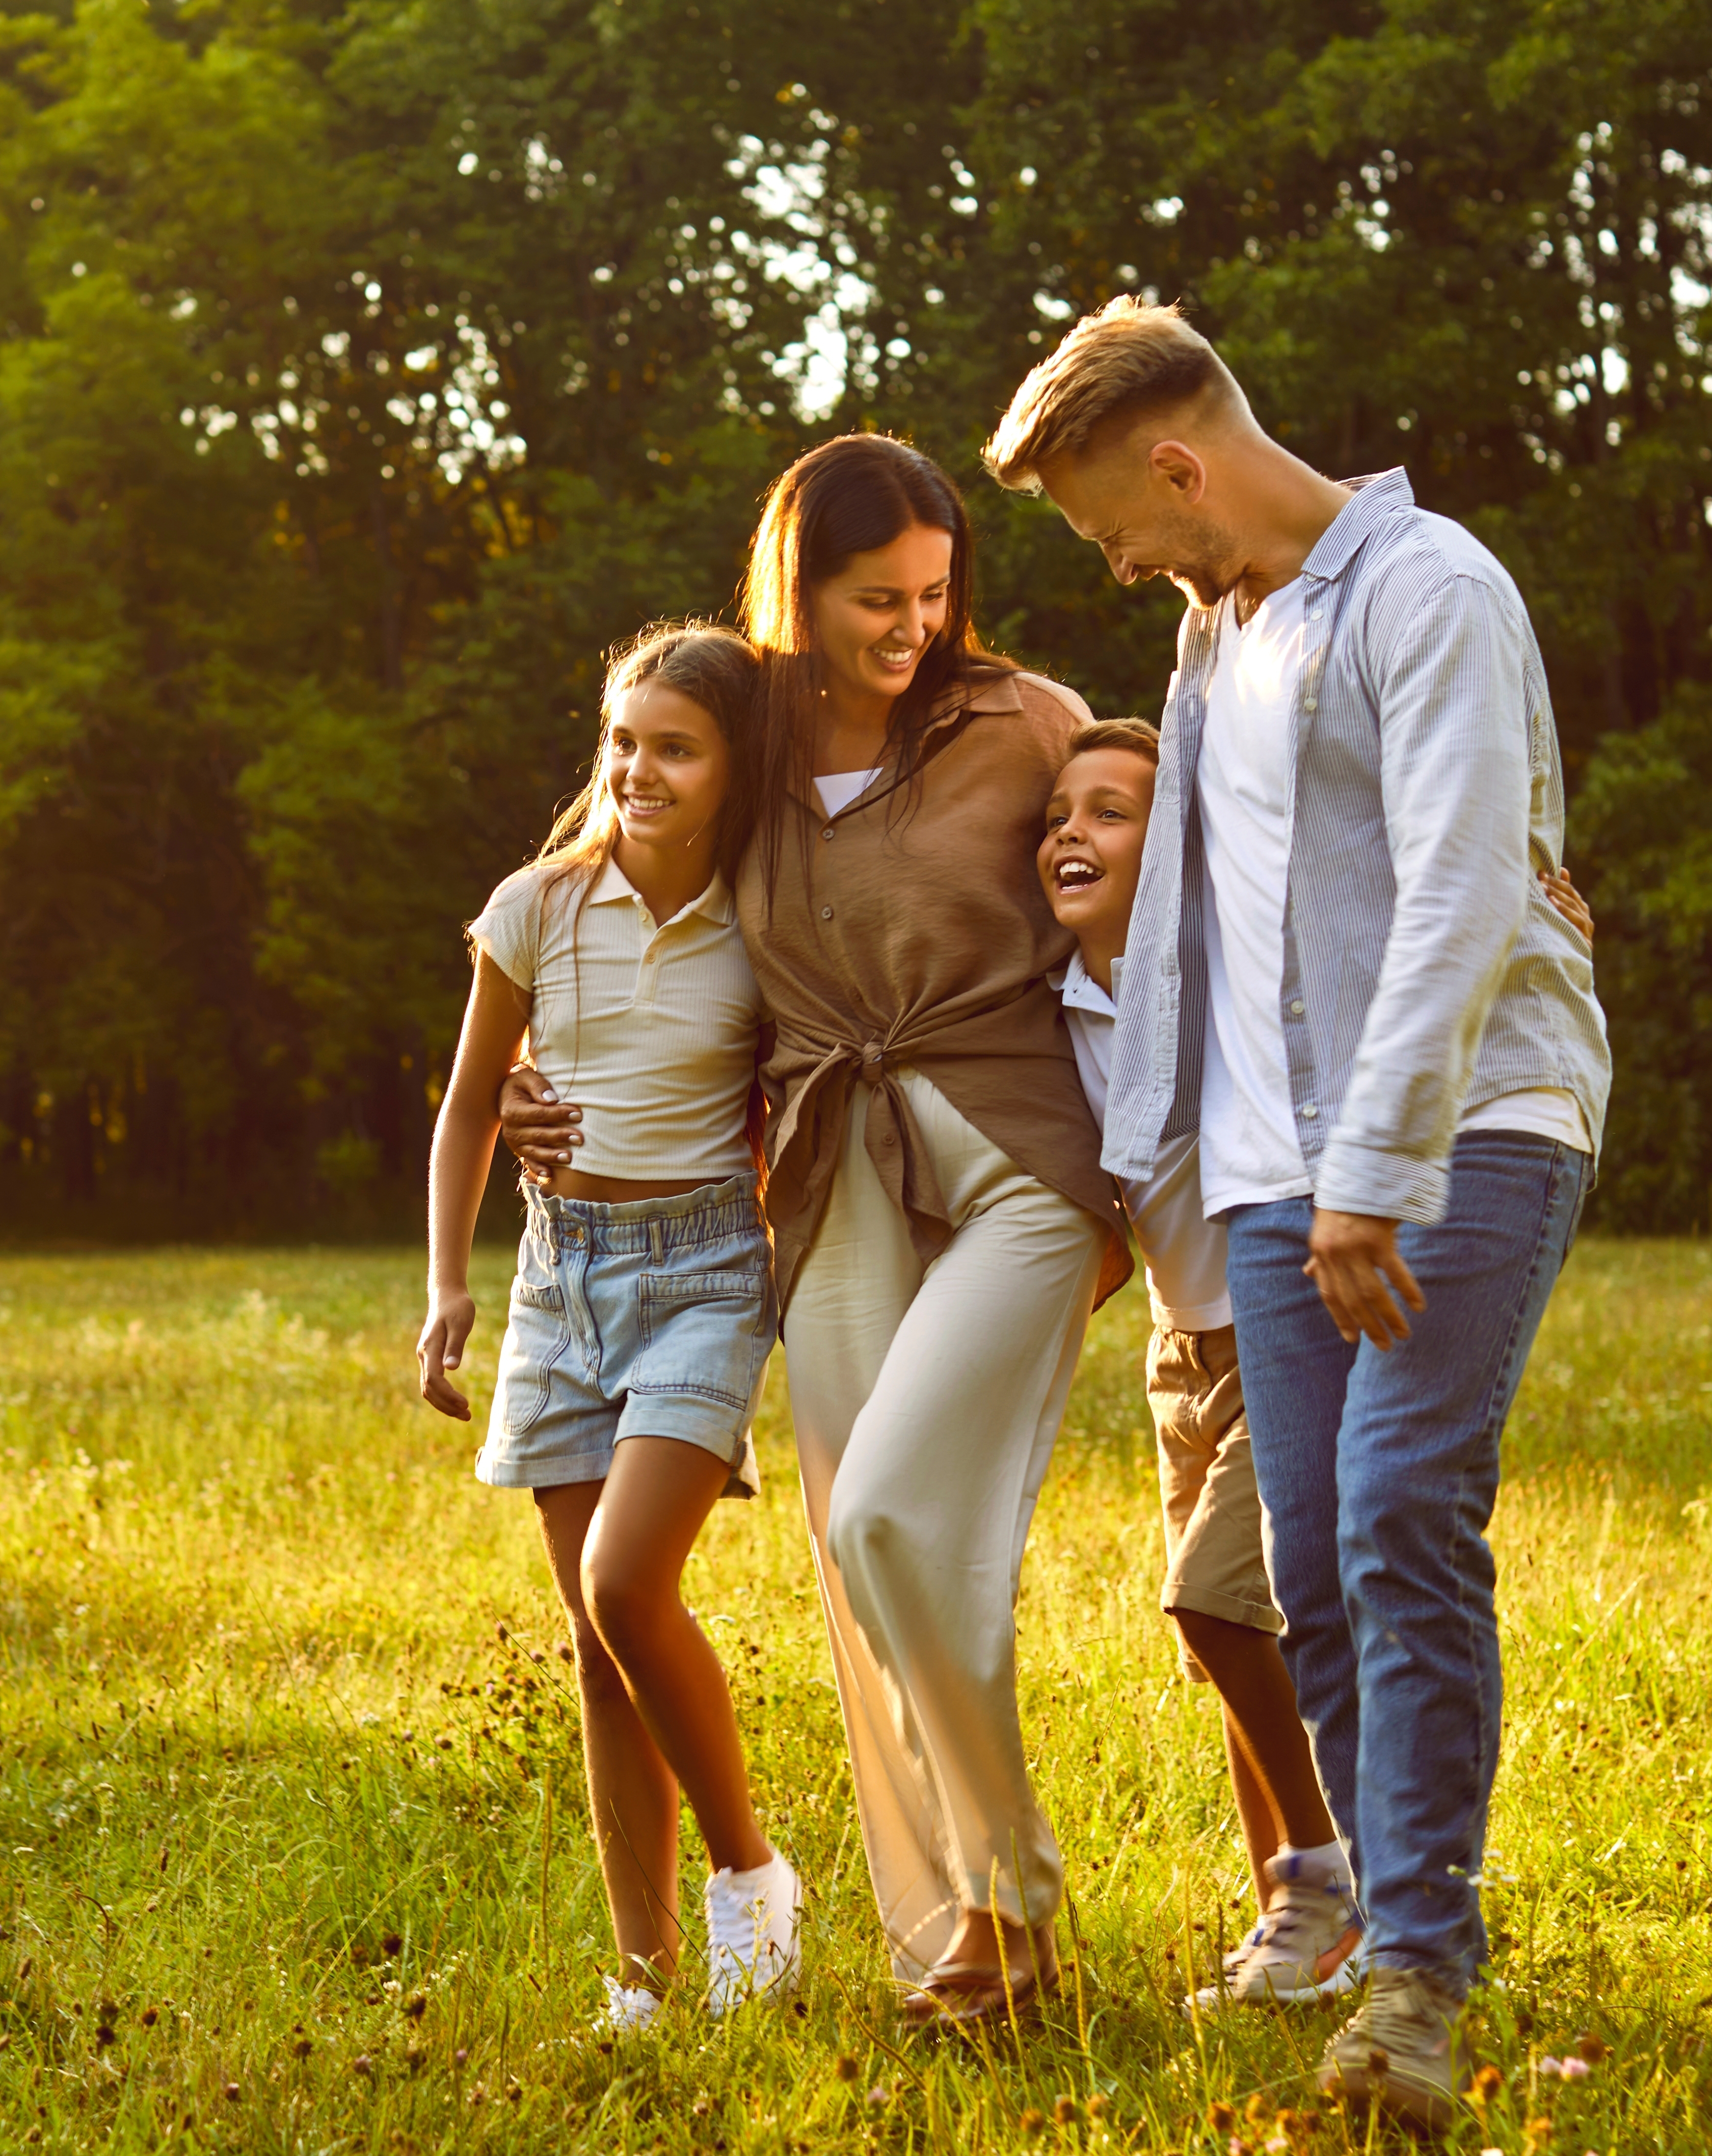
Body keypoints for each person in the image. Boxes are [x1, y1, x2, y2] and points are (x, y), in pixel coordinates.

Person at [986, 299, 1612, 2128]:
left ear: (1179, 462)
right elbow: (1184, 918)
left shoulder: (1430, 593)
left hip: (1462, 1127)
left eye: (1112, 524)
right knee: (1309, 1567)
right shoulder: (1210, 642)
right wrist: (1157, 1151)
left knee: (1403, 1507)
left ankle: (1417, 1975)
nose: (1116, 564)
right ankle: (1378, 1934)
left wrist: (1373, 1169)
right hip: (1269, 1172)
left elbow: (1460, 891)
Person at [506, 435, 1131, 2028]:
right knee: (870, 1578)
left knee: (899, 1523)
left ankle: (1015, 1903)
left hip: (1013, 1157)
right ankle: (965, 1952)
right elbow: (604, 880)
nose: (910, 625)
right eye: (874, 598)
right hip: (828, 1171)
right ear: (801, 584)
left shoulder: (1018, 720)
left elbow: (1157, 877)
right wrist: (533, 1078)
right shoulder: (745, 737)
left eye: (933, 593)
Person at [1038, 718, 1594, 2018]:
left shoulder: (1229, 958)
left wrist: (1537, 923)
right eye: (1059, 814)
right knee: (1250, 1634)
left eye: (1113, 811)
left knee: (1221, 1601)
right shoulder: (1050, 1004)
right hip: (1182, 1347)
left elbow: (1382, 918)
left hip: (1286, 1310)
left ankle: (1337, 1892)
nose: (1075, 831)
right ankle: (1297, 1914)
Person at [416, 624, 805, 2033]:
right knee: (594, 1640)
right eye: (623, 741)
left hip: (704, 1268)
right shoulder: (535, 905)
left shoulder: (769, 915)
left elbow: (817, 1092)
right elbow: (468, 1101)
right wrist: (449, 1286)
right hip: (558, 1280)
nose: (639, 769)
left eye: (675, 747)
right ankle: (639, 1973)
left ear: (732, 766)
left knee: (628, 1587)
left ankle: (750, 1882)